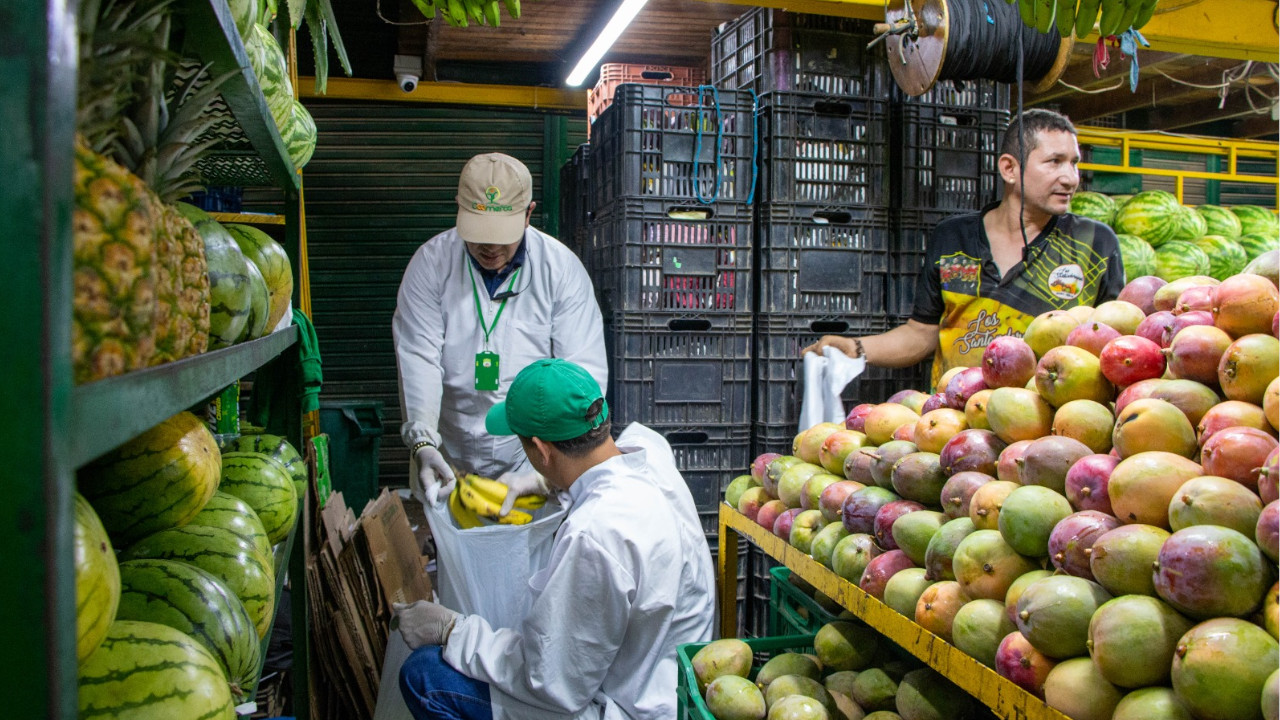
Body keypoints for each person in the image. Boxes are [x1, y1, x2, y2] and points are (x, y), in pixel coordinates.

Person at [392, 358, 716, 720]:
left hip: (628, 709)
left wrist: (452, 630)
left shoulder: (595, 534)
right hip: (667, 680)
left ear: (541, 450)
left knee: (425, 675)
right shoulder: (651, 454)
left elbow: (552, 682)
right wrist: (548, 482)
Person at [804, 108, 1125, 389]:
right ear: (1009, 169)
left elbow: (1113, 342)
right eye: (1055, 162)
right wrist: (857, 348)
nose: (1070, 178)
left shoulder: (1095, 244)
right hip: (951, 419)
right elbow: (922, 333)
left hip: (1046, 430)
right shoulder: (953, 238)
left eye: (1074, 163)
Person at [393, 152, 608, 506]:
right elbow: (418, 354)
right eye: (478, 232)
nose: (489, 246)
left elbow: (582, 375)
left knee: (534, 559)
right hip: (450, 449)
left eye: (500, 234)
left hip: (535, 455)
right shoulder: (431, 265)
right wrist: (422, 443)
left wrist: (546, 473)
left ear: (528, 213)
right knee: (456, 558)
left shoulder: (560, 269)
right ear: (458, 209)